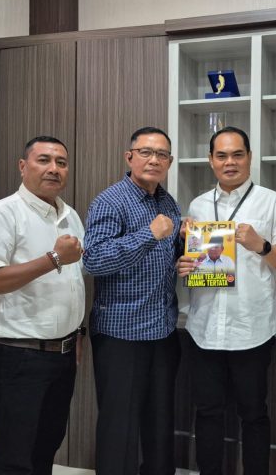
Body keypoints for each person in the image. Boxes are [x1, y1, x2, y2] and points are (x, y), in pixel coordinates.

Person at [177, 126, 276, 475]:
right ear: (211, 160)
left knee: (254, 414)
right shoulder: (198, 205)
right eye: (222, 155)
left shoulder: (271, 201)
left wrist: (261, 245)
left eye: (237, 154)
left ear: (249, 158)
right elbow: (196, 261)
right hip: (204, 327)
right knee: (207, 413)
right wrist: (184, 263)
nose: (230, 162)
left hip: (251, 328)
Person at [0, 136, 86, 475]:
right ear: (23, 166)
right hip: (19, 356)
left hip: (63, 354)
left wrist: (76, 334)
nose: (54, 169)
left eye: (61, 162)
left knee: (46, 447)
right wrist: (53, 258)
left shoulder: (70, 215)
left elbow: (72, 283)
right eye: (43, 160)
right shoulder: (3, 213)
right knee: (14, 455)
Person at [83, 126, 183, 475]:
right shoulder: (110, 201)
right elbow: (94, 260)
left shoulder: (168, 202)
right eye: (146, 152)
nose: (154, 160)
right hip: (121, 334)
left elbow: (166, 257)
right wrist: (148, 234)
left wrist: (184, 253)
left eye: (162, 154)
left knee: (160, 423)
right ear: (129, 157)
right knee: (120, 427)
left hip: (162, 329)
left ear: (170, 161)